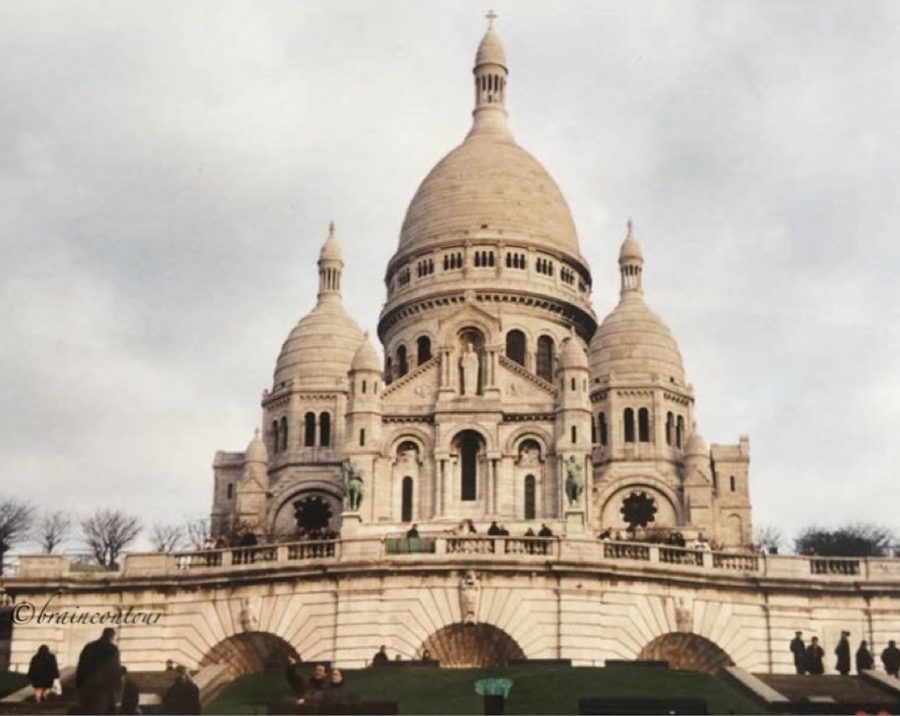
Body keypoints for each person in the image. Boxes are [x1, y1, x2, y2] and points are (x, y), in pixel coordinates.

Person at [75, 627, 121, 714]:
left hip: (87, 685)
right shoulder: (112, 649)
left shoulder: (89, 647)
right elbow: (114, 669)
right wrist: (117, 687)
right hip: (103, 687)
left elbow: (81, 666)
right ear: (112, 636)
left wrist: (79, 685)